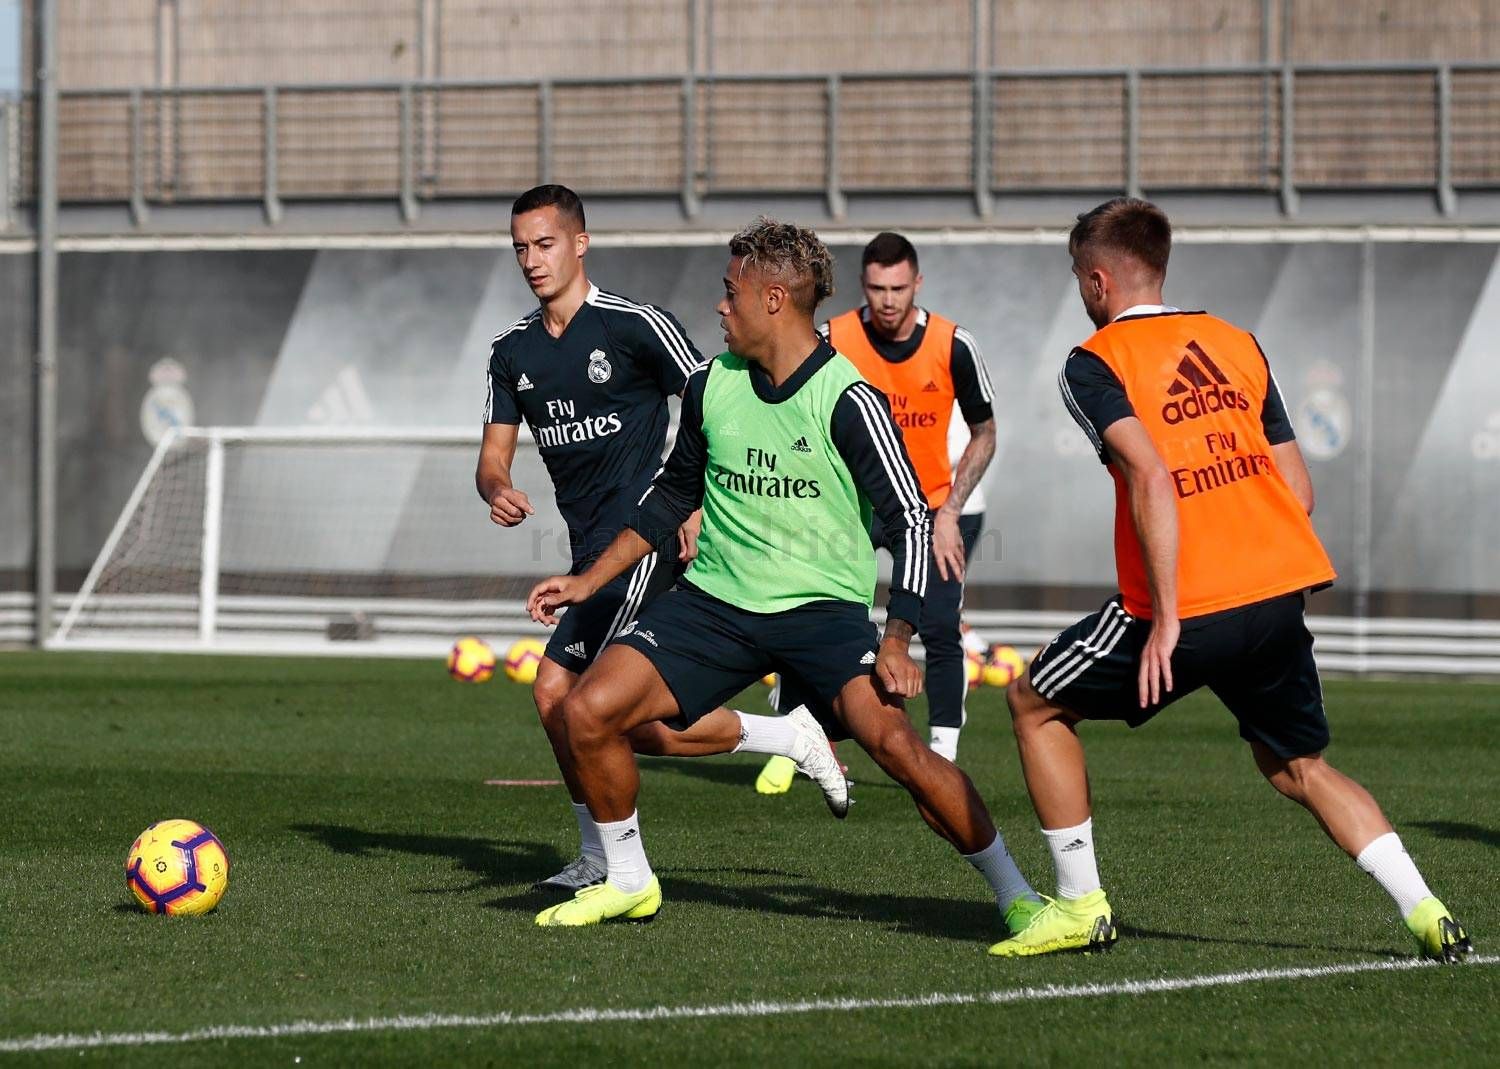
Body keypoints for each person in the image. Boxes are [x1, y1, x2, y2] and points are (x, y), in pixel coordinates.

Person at [523, 217, 1044, 937]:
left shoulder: (848, 399)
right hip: (715, 603)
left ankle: (1018, 895)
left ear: (773, 300)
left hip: (821, 613)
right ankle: (630, 879)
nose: (720, 306)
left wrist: (898, 638)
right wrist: (588, 581)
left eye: (730, 292)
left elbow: (910, 523)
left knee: (897, 748)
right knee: (588, 711)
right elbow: (670, 498)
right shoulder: (710, 383)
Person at [990, 197, 1473, 962]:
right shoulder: (1236, 342)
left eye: (1080, 278)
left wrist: (1170, 616)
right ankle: (1429, 910)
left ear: (1097, 280)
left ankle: (1081, 905)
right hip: (1276, 592)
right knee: (1299, 767)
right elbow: (1299, 492)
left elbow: (1151, 474)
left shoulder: (1094, 362)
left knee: (1034, 702)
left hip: (1186, 607)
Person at [478, 186, 847, 895]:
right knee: (607, 717)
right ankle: (788, 738)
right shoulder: (511, 350)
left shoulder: (636, 325)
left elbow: (718, 398)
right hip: (589, 548)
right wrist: (498, 488)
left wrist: (698, 503)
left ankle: (611, 863)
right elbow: (492, 458)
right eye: (521, 247)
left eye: (545, 243)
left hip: (644, 537)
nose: (532, 259)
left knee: (561, 690)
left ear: (580, 243)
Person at [753, 233, 995, 792]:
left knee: (940, 625)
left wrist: (951, 514)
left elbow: (985, 432)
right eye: (877, 288)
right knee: (811, 617)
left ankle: (943, 756)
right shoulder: (832, 337)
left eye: (898, 288)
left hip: (930, 508)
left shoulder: (954, 344)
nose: (888, 300)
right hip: (851, 509)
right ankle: (798, 741)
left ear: (917, 284)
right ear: (863, 285)